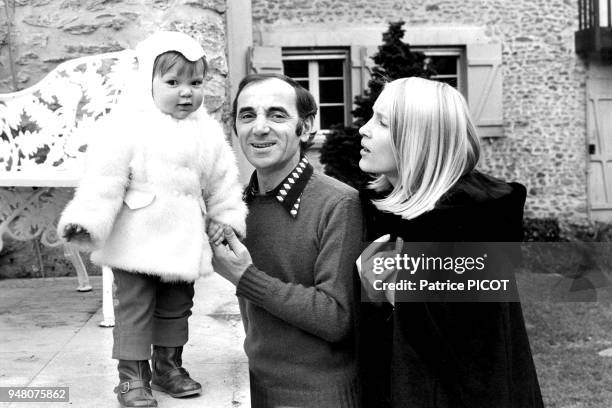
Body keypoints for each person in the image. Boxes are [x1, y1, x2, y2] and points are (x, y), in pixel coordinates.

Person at [57, 31, 247, 408]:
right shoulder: (126, 126)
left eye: (195, 82)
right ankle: (131, 378)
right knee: (135, 307)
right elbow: (104, 179)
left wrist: (226, 216)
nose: (186, 92)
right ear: (148, 83)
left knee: (177, 305)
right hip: (136, 238)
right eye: (173, 82)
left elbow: (223, 180)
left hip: (182, 238)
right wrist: (87, 219)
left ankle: (168, 366)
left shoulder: (206, 132)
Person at [357, 77, 544, 408]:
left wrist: (385, 284)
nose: (364, 129)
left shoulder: (470, 221)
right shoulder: (389, 209)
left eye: (383, 122)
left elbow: (470, 349)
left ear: (419, 139)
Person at [209, 73, 363, 407]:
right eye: (247, 115)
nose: (259, 127)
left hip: (320, 397)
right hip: (253, 388)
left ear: (306, 128)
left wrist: (245, 277)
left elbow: (336, 318)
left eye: (277, 115)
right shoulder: (233, 207)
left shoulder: (339, 203)